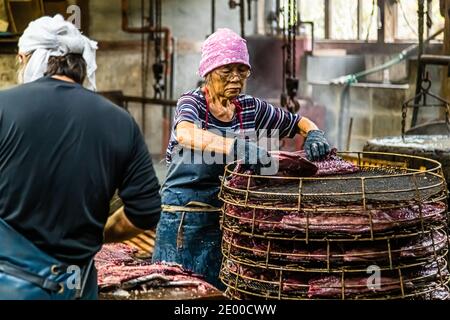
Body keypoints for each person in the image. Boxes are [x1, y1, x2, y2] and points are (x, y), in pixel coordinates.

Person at [152, 28, 330, 288]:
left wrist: (314, 133)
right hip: (183, 221)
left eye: (242, 71)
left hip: (227, 222)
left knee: (221, 291)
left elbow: (297, 121)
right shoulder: (192, 103)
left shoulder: (249, 107)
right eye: (227, 71)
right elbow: (186, 134)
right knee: (177, 290)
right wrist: (238, 148)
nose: (235, 78)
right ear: (209, 72)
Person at [0, 15, 161, 299]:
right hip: (79, 287)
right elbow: (145, 212)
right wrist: (99, 234)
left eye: (19, 61)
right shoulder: (120, 120)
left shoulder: (4, 106)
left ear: (28, 58)